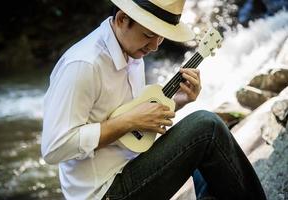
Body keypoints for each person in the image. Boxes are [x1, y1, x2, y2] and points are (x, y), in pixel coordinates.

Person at [41, 0, 267, 199]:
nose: (155, 45)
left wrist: (176, 102)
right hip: (105, 191)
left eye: (161, 36)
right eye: (149, 35)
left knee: (198, 143)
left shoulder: (132, 52)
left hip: (130, 166)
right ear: (122, 19)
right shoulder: (83, 65)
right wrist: (128, 121)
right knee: (206, 128)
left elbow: (133, 130)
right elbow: (54, 148)